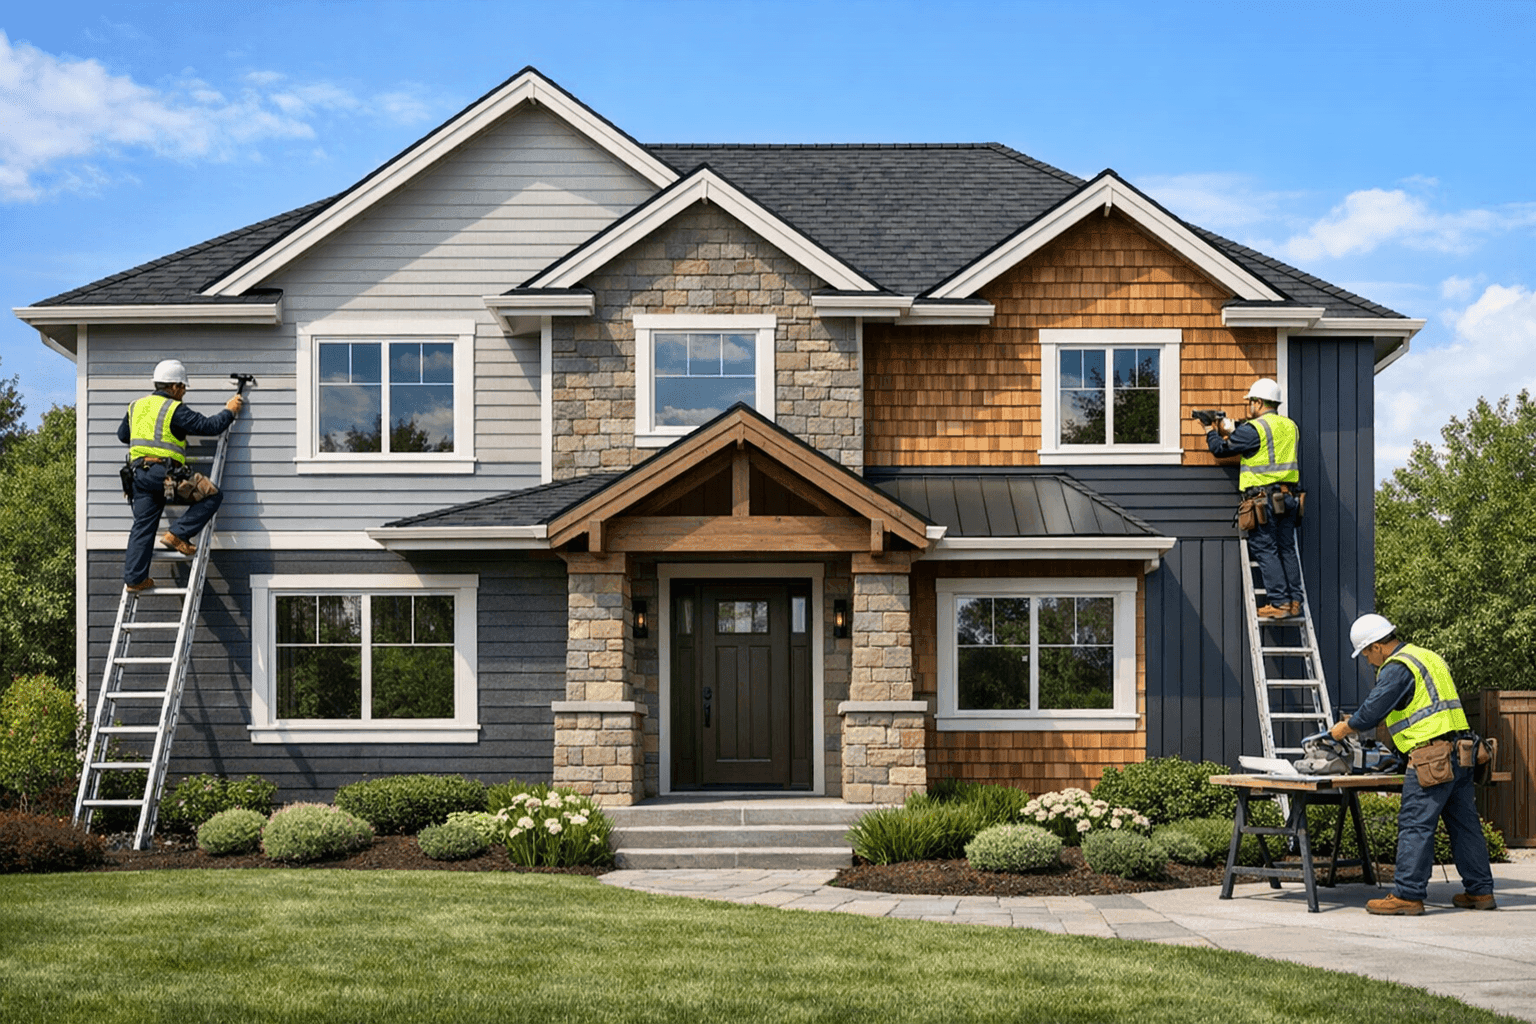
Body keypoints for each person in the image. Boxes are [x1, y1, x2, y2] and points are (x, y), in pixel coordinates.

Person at [1329, 613, 1495, 915]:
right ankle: (1481, 892)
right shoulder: (1428, 657)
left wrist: (1346, 728)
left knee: (1415, 826)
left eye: (1367, 653)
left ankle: (1408, 895)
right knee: (1465, 826)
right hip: (1463, 752)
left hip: (1431, 758)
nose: (1368, 661)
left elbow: (1373, 711)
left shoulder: (1397, 667)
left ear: (1377, 646)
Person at [117, 359, 243, 591]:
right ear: (174, 386)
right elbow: (209, 427)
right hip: (163, 475)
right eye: (183, 387)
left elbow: (123, 435)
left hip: (137, 476)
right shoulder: (174, 409)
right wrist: (230, 411)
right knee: (212, 495)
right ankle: (178, 534)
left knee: (143, 526)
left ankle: (135, 580)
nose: (184, 393)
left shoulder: (135, 406)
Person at [1203, 377, 1301, 619]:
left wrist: (1209, 430)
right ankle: (1294, 601)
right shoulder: (1290, 426)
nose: (1250, 406)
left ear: (1257, 402)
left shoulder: (1254, 429)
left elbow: (1221, 450)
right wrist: (1232, 426)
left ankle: (1279, 603)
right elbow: (1262, 439)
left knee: (1266, 549)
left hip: (1264, 499)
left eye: (1251, 403)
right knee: (1286, 549)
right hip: (1289, 498)